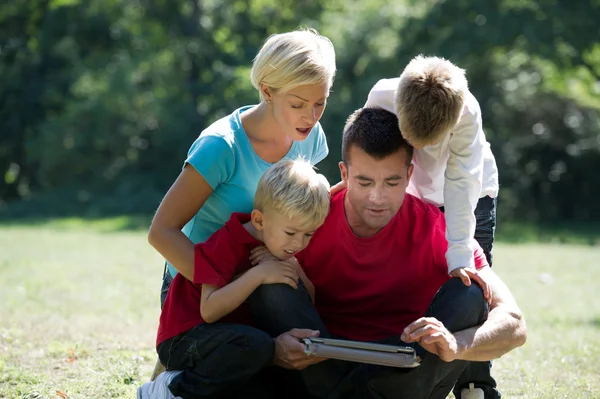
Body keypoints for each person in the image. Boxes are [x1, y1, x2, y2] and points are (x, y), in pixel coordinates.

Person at [246, 108, 526, 399]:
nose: (377, 198)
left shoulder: (439, 229)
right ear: (344, 173)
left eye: (391, 183)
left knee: (470, 293)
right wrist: (275, 350)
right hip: (323, 369)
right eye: (364, 182)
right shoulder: (307, 219)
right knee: (269, 282)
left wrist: (456, 345)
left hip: (407, 376)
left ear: (409, 175)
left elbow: (514, 323)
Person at [145, 27, 336, 378]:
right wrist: (230, 282)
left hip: (258, 275)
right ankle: (174, 368)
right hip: (195, 290)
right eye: (297, 104)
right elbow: (161, 232)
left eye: (320, 103)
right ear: (267, 91)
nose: (311, 116)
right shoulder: (222, 146)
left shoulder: (311, 138)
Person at [362, 55, 501, 399]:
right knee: (416, 280)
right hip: (413, 197)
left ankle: (476, 385)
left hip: (472, 198)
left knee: (474, 287)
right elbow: (364, 149)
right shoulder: (381, 96)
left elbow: (461, 184)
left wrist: (459, 255)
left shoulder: (466, 112)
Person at [137, 158, 331, 399]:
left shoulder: (281, 246)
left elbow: (306, 300)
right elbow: (209, 309)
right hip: (185, 338)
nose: (298, 243)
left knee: (266, 374)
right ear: (259, 220)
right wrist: (259, 275)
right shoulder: (227, 241)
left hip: (231, 340)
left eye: (308, 234)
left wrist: (293, 266)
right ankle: (172, 389)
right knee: (258, 345)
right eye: (291, 233)